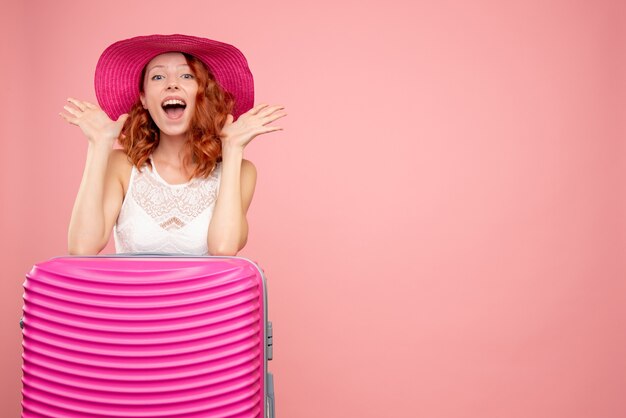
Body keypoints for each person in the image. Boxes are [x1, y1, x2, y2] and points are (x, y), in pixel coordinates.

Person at [62, 34, 286, 256]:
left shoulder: (242, 171)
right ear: (144, 98)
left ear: (203, 94)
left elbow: (223, 248)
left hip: (206, 294)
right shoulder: (122, 166)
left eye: (187, 75)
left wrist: (233, 148)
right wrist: (99, 144)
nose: (172, 85)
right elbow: (82, 248)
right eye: (158, 77)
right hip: (131, 293)